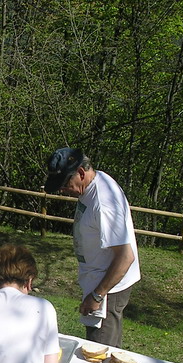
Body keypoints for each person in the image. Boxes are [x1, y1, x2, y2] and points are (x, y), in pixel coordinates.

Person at [43, 148, 140, 349]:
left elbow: (125, 256)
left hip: (108, 287)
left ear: (80, 172)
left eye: (65, 184)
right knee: (100, 345)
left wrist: (97, 295)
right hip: (98, 280)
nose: (62, 190)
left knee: (99, 350)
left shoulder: (104, 203)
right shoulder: (95, 183)